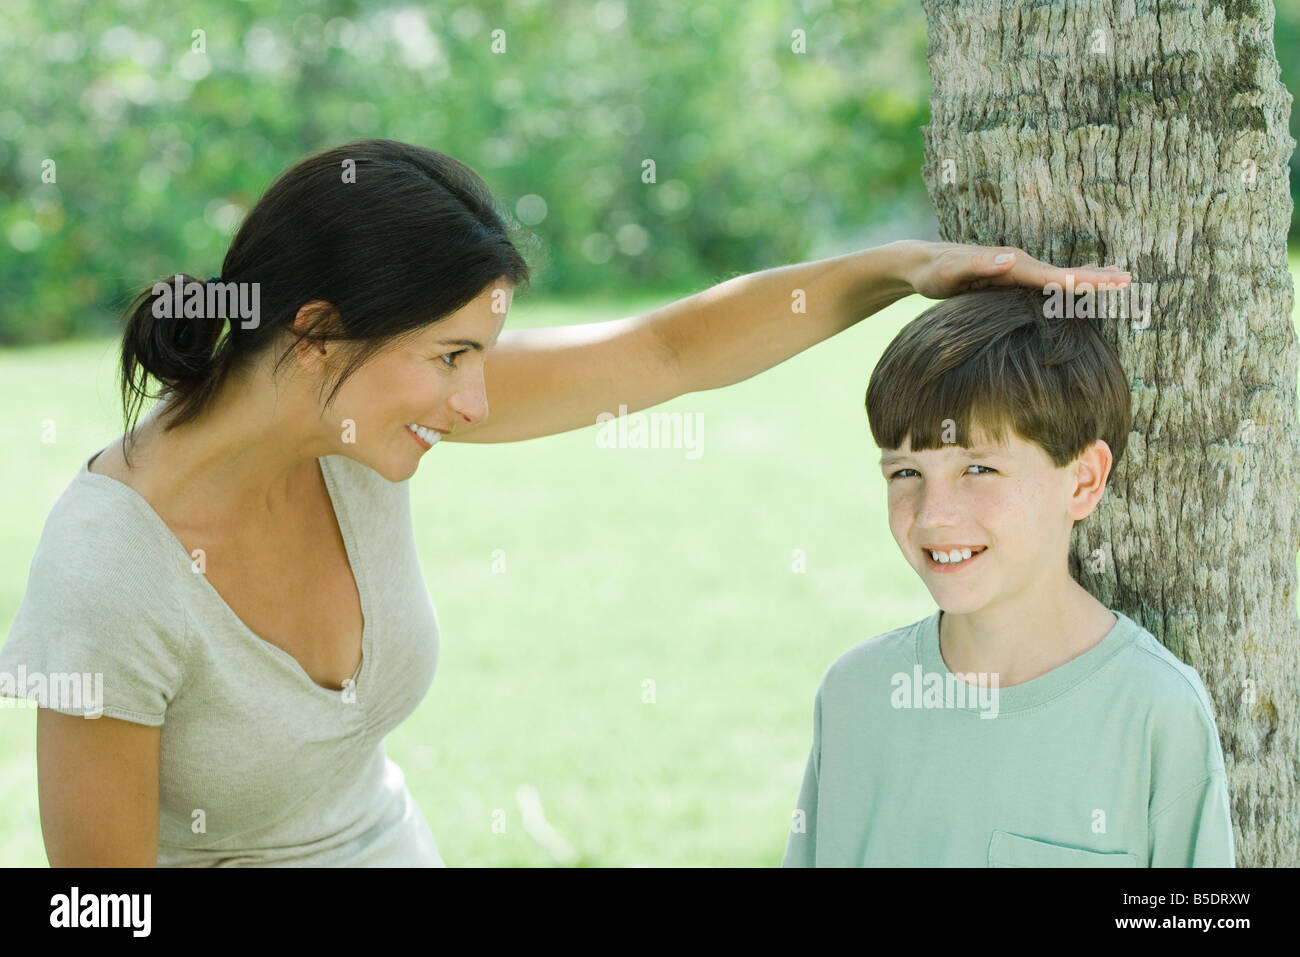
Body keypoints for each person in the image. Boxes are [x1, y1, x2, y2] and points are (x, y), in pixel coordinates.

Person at [0, 138, 1129, 866]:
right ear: (314, 337)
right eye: (449, 358)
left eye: (479, 356)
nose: (474, 399)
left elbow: (665, 349)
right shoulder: (112, 572)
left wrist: (898, 268)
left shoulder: (346, 427)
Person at [780, 285, 1234, 867]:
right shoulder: (855, 694)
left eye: (979, 467)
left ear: (1082, 480)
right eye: (905, 472)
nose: (933, 514)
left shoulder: (1154, 711)